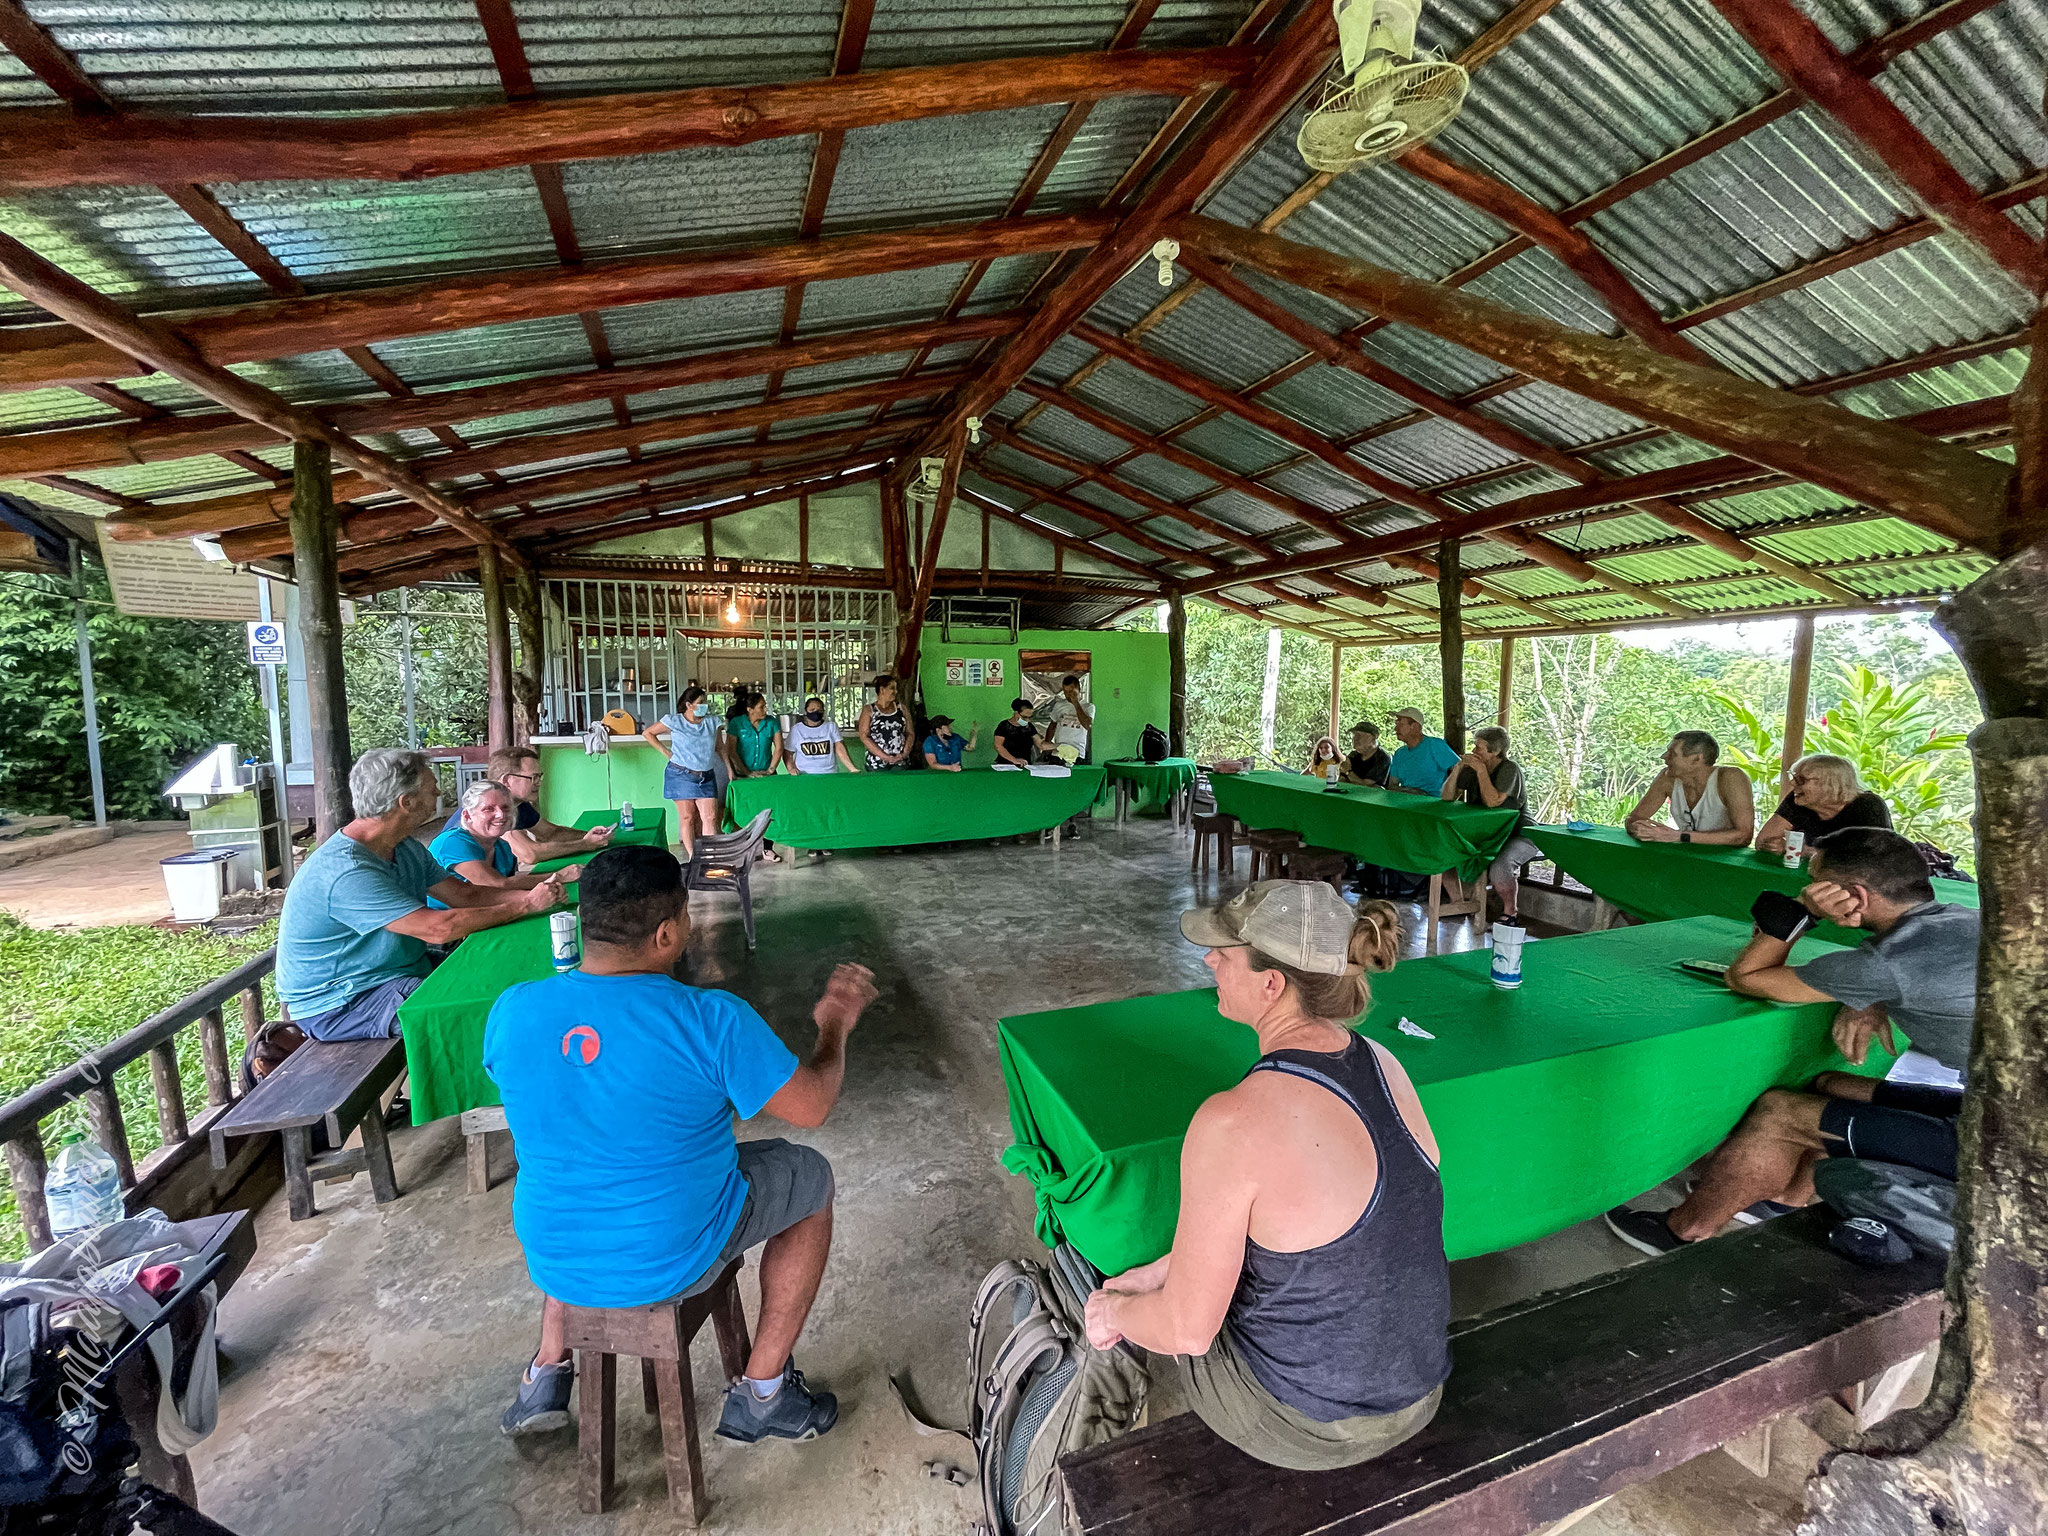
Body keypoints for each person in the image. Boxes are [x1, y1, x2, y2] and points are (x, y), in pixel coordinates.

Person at [488, 845, 879, 1443]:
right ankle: (764, 1393)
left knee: (580, 1165)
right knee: (809, 1175)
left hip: (553, 1252)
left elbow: (572, 1098)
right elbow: (814, 1106)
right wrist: (834, 1025)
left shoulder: (512, 1010)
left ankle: (546, 1373)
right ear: (668, 933)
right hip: (669, 1254)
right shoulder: (710, 1018)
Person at [1083, 882, 1447, 1470]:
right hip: (1419, 1390)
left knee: (1110, 1304)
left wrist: (1113, 1312)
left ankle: (1092, 1460)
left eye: (1225, 952)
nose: (1209, 961)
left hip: (1313, 1426)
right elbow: (1302, 1233)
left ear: (1272, 984)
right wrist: (1158, 1273)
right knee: (1155, 1277)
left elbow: (1187, 1330)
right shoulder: (1386, 1064)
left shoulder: (1232, 1121)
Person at [1604, 827, 1979, 1258]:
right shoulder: (1959, 919)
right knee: (1828, 1085)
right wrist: (1868, 999)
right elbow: (1914, 977)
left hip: (2006, 1147)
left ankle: (1684, 1230)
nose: (1809, 888)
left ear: (1853, 894)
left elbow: (1746, 977)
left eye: (1816, 882)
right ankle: (1783, 1197)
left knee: (1780, 1112)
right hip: (1993, 1107)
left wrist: (1801, 910)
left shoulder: (1890, 962)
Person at [277, 749, 560, 1041]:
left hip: (394, 972)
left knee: (503, 975)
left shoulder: (403, 847)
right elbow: (437, 928)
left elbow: (464, 895)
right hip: (344, 1001)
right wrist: (525, 905)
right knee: (486, 1011)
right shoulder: (347, 870)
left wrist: (537, 899)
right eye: (431, 787)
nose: (438, 792)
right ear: (407, 802)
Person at [440, 745, 616, 866]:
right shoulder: (496, 808)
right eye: (533, 777)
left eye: (540, 777)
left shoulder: (518, 804)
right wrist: (584, 844)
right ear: (507, 780)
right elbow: (529, 854)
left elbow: (550, 833)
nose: (538, 783)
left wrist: (591, 836)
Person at [428, 779, 582, 907]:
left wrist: (549, 889)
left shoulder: (503, 848)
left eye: (506, 808)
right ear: (467, 815)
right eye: (489, 809)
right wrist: (558, 876)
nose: (500, 815)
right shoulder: (452, 842)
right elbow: (497, 884)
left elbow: (508, 888)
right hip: (447, 933)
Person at [1441, 727, 1541, 921]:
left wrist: (1480, 771)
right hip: (1487, 834)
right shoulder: (1473, 769)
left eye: (1479, 747)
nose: (1474, 751)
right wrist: (1458, 769)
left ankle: (1510, 913)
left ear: (1494, 751)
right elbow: (1447, 798)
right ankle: (1459, 903)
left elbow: (1493, 801)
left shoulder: (1509, 769)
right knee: (1445, 854)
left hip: (1518, 834)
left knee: (1500, 867)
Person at [1624, 731, 1756, 847]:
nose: (1664, 756)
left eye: (1672, 754)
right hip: (1688, 857)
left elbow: (1744, 836)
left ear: (1697, 759)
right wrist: (1642, 829)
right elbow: (1634, 819)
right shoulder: (1667, 778)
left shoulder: (1730, 778)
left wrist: (1678, 836)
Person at [1758, 753, 1892, 857]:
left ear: (1830, 784)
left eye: (1801, 780)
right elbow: (1763, 841)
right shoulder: (1798, 800)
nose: (1793, 784)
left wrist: (1805, 851)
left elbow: (1872, 857)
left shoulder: (1868, 806)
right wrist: (1776, 846)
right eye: (1793, 777)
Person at [643, 686, 722, 858]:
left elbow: (720, 747)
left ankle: (710, 856)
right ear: (689, 705)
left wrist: (729, 768)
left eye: (705, 702)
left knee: (710, 817)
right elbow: (648, 733)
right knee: (687, 817)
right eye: (700, 703)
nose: (705, 706)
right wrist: (667, 753)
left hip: (706, 775)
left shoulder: (712, 722)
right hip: (680, 775)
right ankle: (694, 857)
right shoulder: (674, 721)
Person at [722, 692, 786, 862]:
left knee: (770, 811)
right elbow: (731, 750)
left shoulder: (771, 722)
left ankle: (767, 848)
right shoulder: (737, 723)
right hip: (743, 777)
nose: (765, 709)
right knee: (743, 812)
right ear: (750, 709)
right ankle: (743, 849)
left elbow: (779, 747)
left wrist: (771, 769)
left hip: (767, 776)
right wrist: (746, 772)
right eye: (761, 707)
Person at [1383, 708, 1461, 796]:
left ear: (1415, 726)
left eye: (1400, 724)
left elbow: (1460, 767)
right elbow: (1392, 784)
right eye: (1396, 724)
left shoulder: (1434, 745)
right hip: (1406, 801)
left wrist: (1451, 797)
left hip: (1434, 803)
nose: (1395, 728)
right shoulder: (1399, 753)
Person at [784, 696, 859, 775]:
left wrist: (852, 768)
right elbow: (788, 752)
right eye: (812, 710)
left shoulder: (831, 726)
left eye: (819, 710)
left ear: (823, 712)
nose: (816, 712)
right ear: (806, 711)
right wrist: (791, 768)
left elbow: (840, 748)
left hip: (829, 773)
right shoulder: (797, 729)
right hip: (804, 774)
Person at [855, 674, 911, 772]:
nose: (895, 692)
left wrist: (903, 754)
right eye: (892, 688)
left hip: (900, 762)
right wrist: (884, 757)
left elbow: (910, 733)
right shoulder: (869, 710)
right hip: (877, 763)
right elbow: (864, 736)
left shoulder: (901, 709)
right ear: (882, 690)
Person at [1038, 674, 1093, 761]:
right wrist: (1047, 745)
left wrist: (1076, 703)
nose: (1068, 695)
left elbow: (1087, 725)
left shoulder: (1088, 707)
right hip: (1059, 752)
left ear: (1079, 688)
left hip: (1077, 752)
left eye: (1071, 691)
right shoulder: (1059, 705)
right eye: (1065, 692)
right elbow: (1052, 725)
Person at [994, 698, 1040, 768]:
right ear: (1016, 713)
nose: (1028, 720)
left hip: (1026, 765)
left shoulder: (1029, 727)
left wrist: (1058, 745)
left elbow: (1040, 744)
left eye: (1030, 717)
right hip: (1006, 765)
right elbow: (998, 745)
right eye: (1025, 717)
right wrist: (1014, 760)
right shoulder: (1003, 726)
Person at [1341, 722, 1391, 787]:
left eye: (1359, 735)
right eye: (1354, 735)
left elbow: (1365, 785)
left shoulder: (1383, 757)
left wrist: (1348, 771)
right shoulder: (1353, 755)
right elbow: (1342, 779)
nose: (1355, 739)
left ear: (1372, 739)